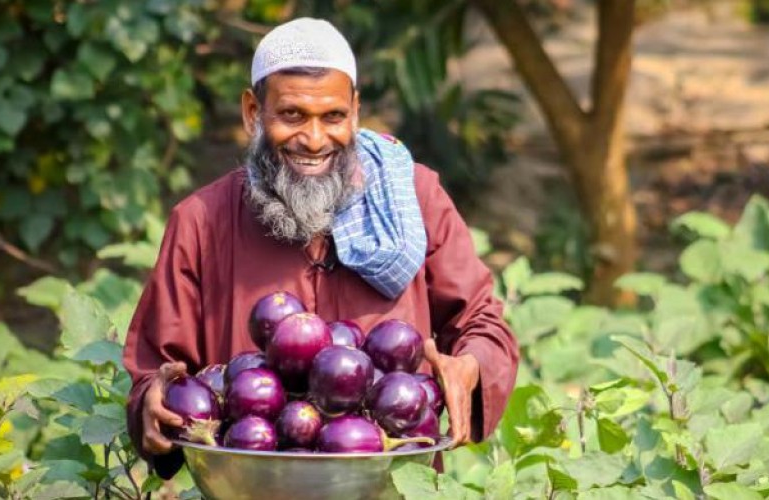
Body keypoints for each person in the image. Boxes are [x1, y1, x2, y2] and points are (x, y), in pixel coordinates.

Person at [122, 17, 519, 477]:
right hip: (254, 485)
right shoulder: (201, 222)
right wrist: (150, 402)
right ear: (253, 112)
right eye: (292, 115)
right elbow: (155, 370)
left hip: (390, 484)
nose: (314, 140)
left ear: (354, 111)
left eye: (333, 117)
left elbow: (482, 323)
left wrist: (469, 364)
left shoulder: (415, 197)